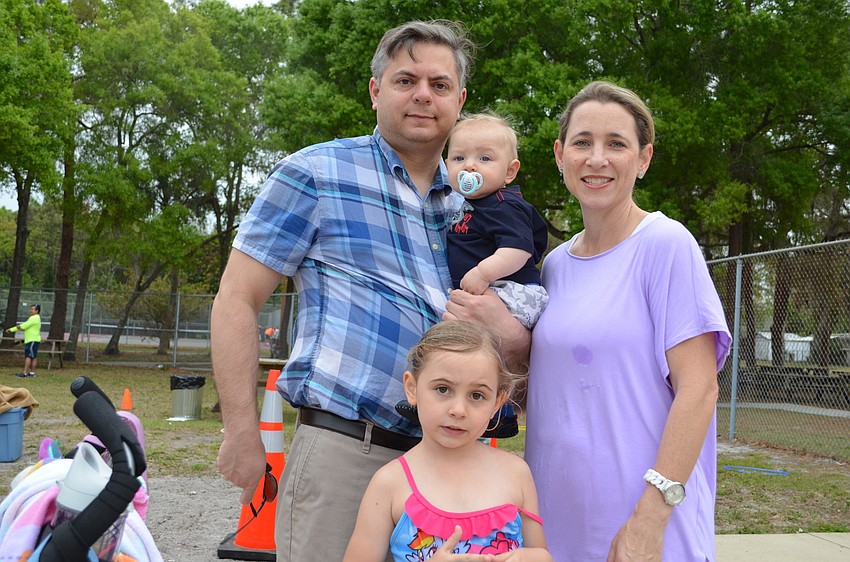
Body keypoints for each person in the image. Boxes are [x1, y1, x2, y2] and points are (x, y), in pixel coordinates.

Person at [210, 20, 529, 562]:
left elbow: (516, 336)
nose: (424, 95)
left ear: (460, 101)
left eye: (440, 84)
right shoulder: (315, 173)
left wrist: (509, 335)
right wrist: (241, 430)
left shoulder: (478, 205)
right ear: (376, 89)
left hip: (455, 464)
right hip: (345, 453)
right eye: (406, 80)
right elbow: (236, 299)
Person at [524, 81, 732, 562]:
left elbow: (699, 390)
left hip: (644, 533)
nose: (597, 158)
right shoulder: (553, 266)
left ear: (643, 158)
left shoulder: (665, 244)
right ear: (560, 155)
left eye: (616, 144)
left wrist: (650, 518)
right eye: (582, 142)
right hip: (555, 527)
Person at [344, 320, 552, 562]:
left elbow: (541, 553)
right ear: (412, 388)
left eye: (477, 395)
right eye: (443, 389)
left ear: (497, 402)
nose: (458, 409)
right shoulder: (389, 483)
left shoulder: (516, 473)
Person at [445, 113, 549, 330]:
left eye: (484, 159)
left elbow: (518, 249)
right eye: (459, 158)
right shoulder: (469, 205)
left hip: (513, 292)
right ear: (447, 166)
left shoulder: (504, 205)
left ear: (510, 171)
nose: (469, 166)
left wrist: (483, 273)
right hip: (489, 291)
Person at [6, 304, 42, 378]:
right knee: (33, 356)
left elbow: (23, 326)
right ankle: (32, 373)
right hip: (34, 340)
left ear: (37, 311)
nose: (30, 310)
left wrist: (11, 329)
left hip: (32, 340)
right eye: (30, 309)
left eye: (32, 309)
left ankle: (25, 372)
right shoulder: (35, 318)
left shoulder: (34, 318)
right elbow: (25, 326)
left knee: (28, 356)